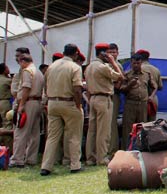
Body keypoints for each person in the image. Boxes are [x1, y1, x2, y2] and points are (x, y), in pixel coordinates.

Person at [40, 44, 84, 175]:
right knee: (74, 135)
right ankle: (75, 164)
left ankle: (46, 166)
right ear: (75, 54)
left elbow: (46, 85)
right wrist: (78, 104)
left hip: (53, 102)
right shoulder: (75, 67)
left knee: (52, 137)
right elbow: (77, 88)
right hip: (68, 102)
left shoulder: (51, 66)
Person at [84, 43, 124, 166]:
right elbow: (120, 77)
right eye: (107, 53)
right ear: (102, 53)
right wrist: (113, 62)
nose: (109, 55)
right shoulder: (103, 67)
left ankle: (90, 157)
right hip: (103, 98)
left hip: (93, 98)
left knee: (92, 130)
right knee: (103, 130)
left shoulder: (89, 67)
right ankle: (102, 158)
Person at [10, 54, 44, 168]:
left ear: (23, 61)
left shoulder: (27, 71)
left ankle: (17, 159)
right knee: (35, 133)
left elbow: (26, 87)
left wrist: (21, 104)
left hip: (28, 102)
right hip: (38, 102)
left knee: (21, 131)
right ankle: (31, 158)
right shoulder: (38, 72)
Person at [120, 54, 156, 148]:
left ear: (141, 63)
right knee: (128, 128)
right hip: (130, 103)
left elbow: (154, 87)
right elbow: (121, 89)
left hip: (143, 104)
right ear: (131, 63)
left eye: (138, 63)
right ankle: (126, 148)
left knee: (142, 127)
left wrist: (151, 96)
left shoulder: (147, 74)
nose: (136, 65)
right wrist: (130, 85)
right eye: (134, 63)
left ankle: (140, 148)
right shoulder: (127, 75)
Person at [136, 49, 163, 121]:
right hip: (153, 99)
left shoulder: (137, 68)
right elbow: (160, 87)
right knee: (151, 123)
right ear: (148, 58)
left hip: (141, 99)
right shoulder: (156, 69)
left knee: (140, 123)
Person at [107, 43, 123, 155]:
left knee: (112, 124)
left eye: (114, 52)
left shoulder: (118, 66)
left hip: (114, 96)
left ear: (117, 53)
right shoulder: (105, 65)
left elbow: (120, 81)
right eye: (110, 52)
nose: (112, 54)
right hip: (106, 96)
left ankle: (112, 150)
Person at [0, 63, 12, 131]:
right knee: (7, 122)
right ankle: (7, 140)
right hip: (4, 102)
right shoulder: (7, 80)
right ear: (4, 70)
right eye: (7, 67)